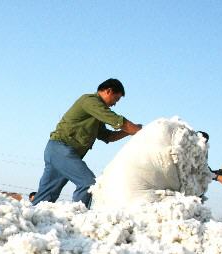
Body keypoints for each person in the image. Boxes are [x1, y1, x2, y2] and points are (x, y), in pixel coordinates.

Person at [32, 78, 142, 208]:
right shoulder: (90, 101)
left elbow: (108, 136)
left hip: (60, 152)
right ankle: (78, 216)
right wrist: (142, 131)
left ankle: (31, 219)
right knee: (88, 183)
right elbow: (116, 121)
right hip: (60, 149)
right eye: (116, 99)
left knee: (44, 198)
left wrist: (130, 132)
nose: (114, 104)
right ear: (109, 91)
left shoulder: (95, 116)